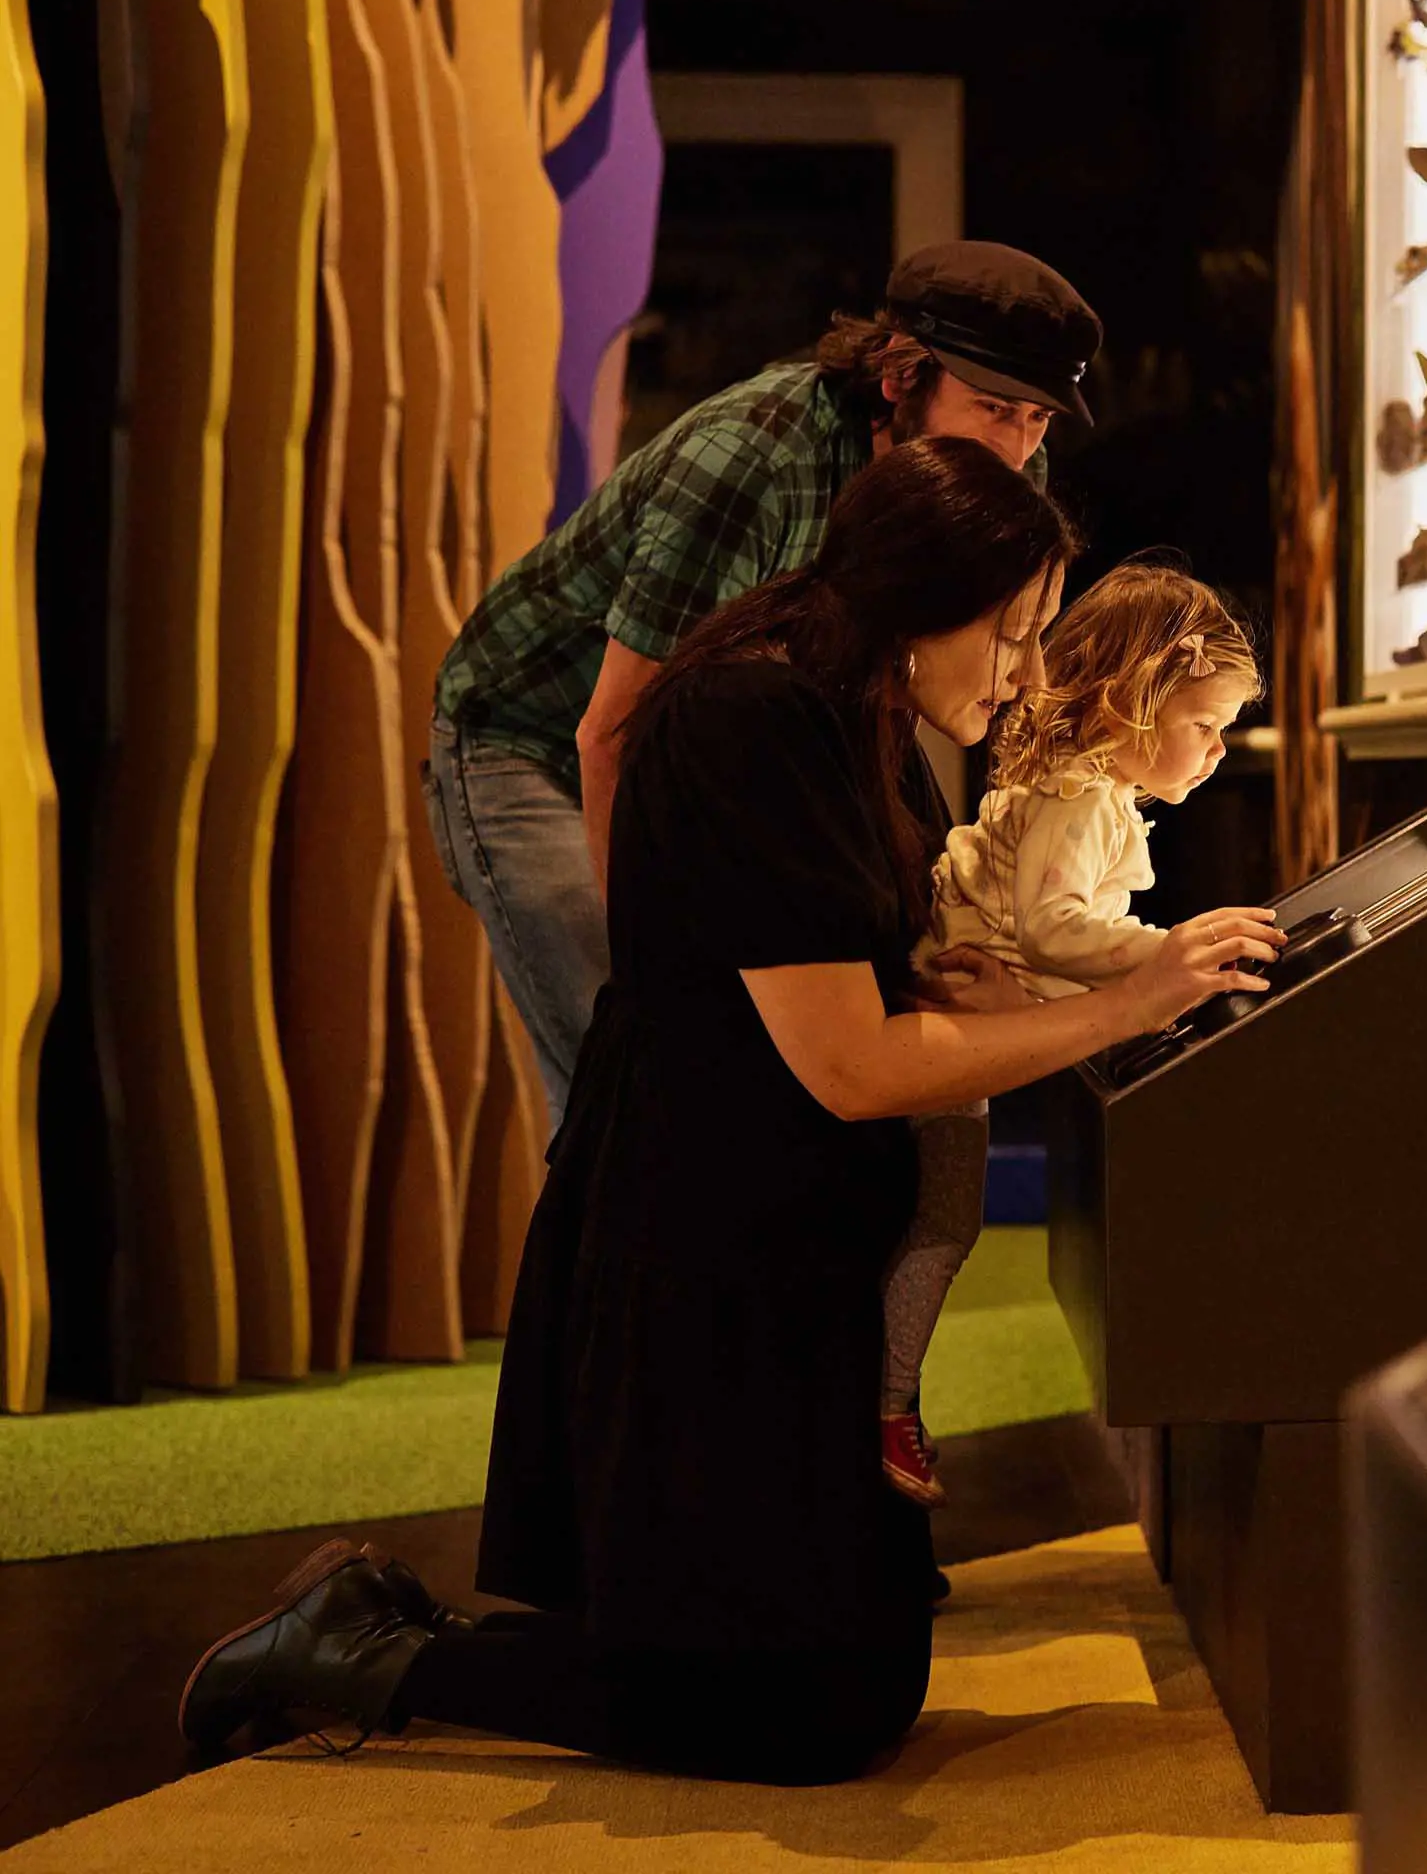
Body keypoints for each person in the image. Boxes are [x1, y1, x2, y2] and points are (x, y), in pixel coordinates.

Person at [181, 441, 1284, 1785]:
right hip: (701, 1249)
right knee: (800, 1715)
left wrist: (951, 975)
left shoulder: (869, 714)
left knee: (863, 1683)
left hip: (791, 1248)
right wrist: (1125, 1001)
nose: (1022, 673)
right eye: (1011, 633)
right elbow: (846, 1067)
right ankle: (368, 1652)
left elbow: (858, 975)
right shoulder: (754, 717)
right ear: (922, 597)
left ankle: (396, 1626)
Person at [428, 241, 1102, 1121]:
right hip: (536, 740)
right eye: (993, 410)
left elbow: (896, 688)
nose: (1016, 449)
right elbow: (614, 730)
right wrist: (658, 975)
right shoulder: (753, 461)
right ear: (903, 376)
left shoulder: (996, 473)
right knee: (638, 1069)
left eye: (1037, 420)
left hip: (696, 743)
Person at [878, 562, 1264, 1506]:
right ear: (1138, 701)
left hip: (968, 1011)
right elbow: (1053, 927)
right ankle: (886, 1402)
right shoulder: (1083, 799)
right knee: (941, 1219)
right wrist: (1164, 956)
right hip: (954, 1032)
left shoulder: (1075, 788)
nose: (1216, 753)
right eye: (1203, 727)